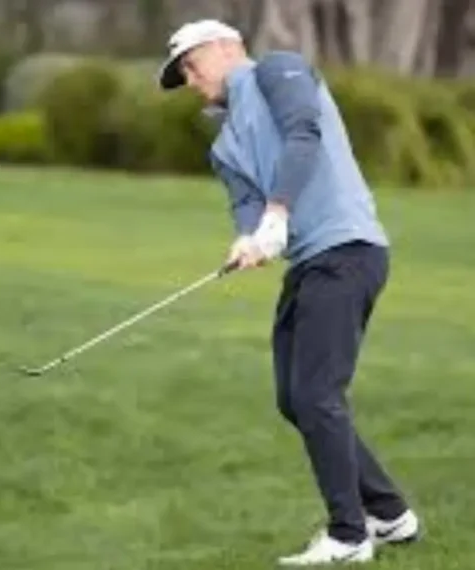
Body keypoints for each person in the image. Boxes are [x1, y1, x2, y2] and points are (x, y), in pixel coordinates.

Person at [157, 19, 421, 565]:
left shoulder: (277, 71)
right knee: (295, 398)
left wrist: (278, 213)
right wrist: (249, 239)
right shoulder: (224, 145)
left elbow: (304, 130)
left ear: (228, 47)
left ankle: (349, 536)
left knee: (318, 395)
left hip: (348, 250)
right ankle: (391, 513)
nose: (188, 78)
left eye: (190, 63)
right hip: (309, 264)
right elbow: (247, 210)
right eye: (181, 72)